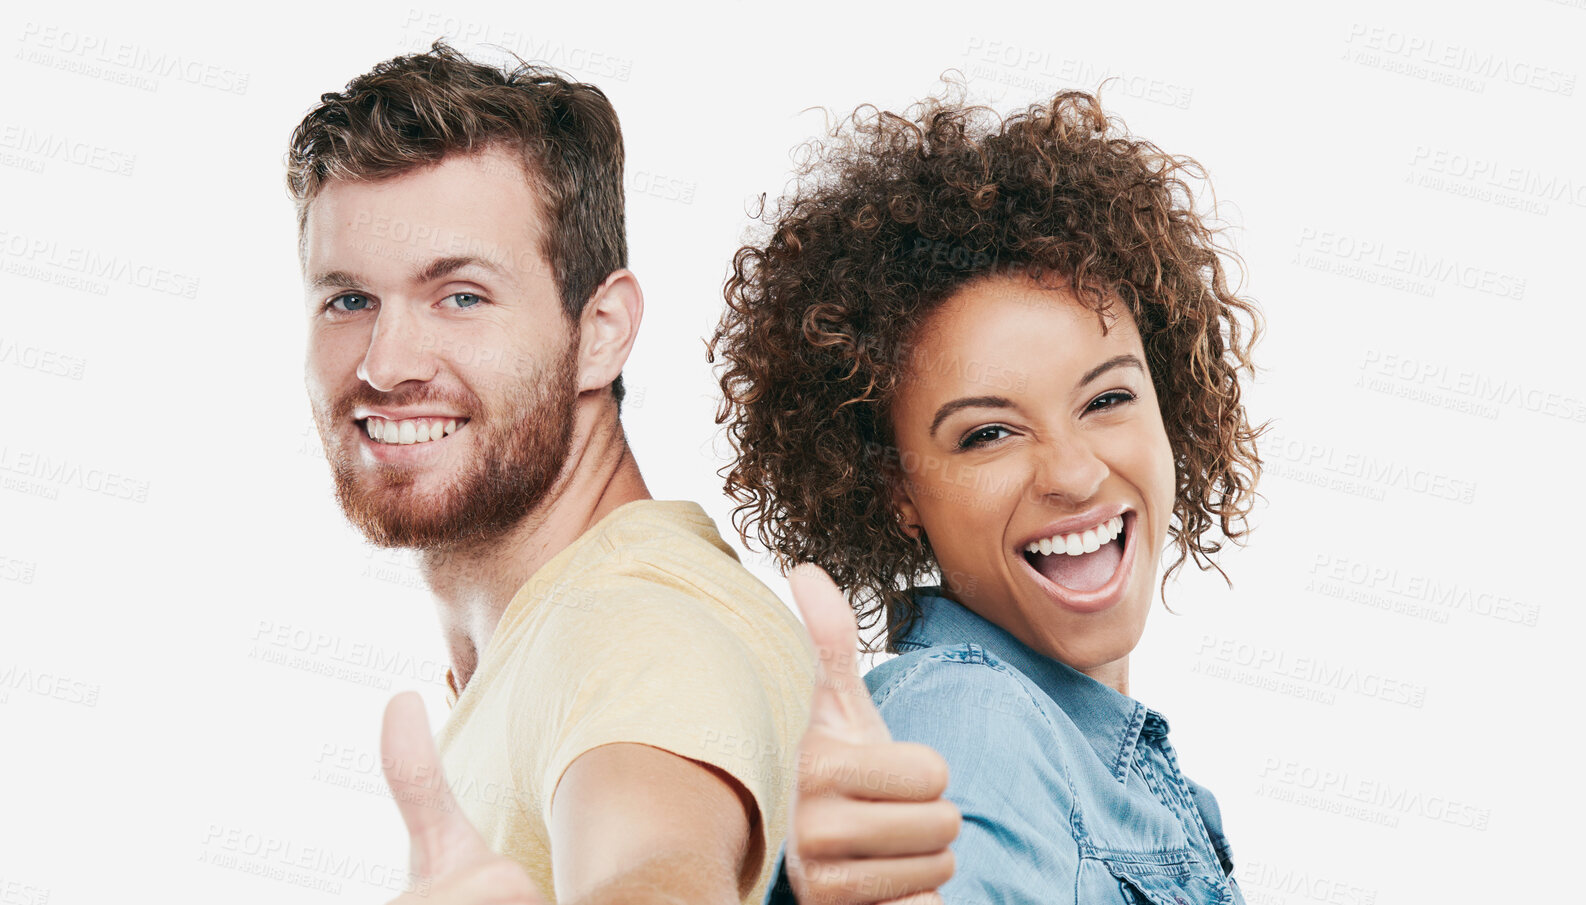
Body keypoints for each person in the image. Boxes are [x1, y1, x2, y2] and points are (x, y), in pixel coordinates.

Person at [287, 43, 811, 904]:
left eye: (460, 295)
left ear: (600, 329)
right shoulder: (561, 633)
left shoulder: (633, 631)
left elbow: (655, 873)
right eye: (348, 299)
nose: (385, 364)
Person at [712, 88, 1262, 904]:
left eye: (1106, 400)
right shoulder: (967, 725)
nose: (1072, 472)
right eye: (988, 434)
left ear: (1168, 403)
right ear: (895, 488)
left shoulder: (1120, 771)